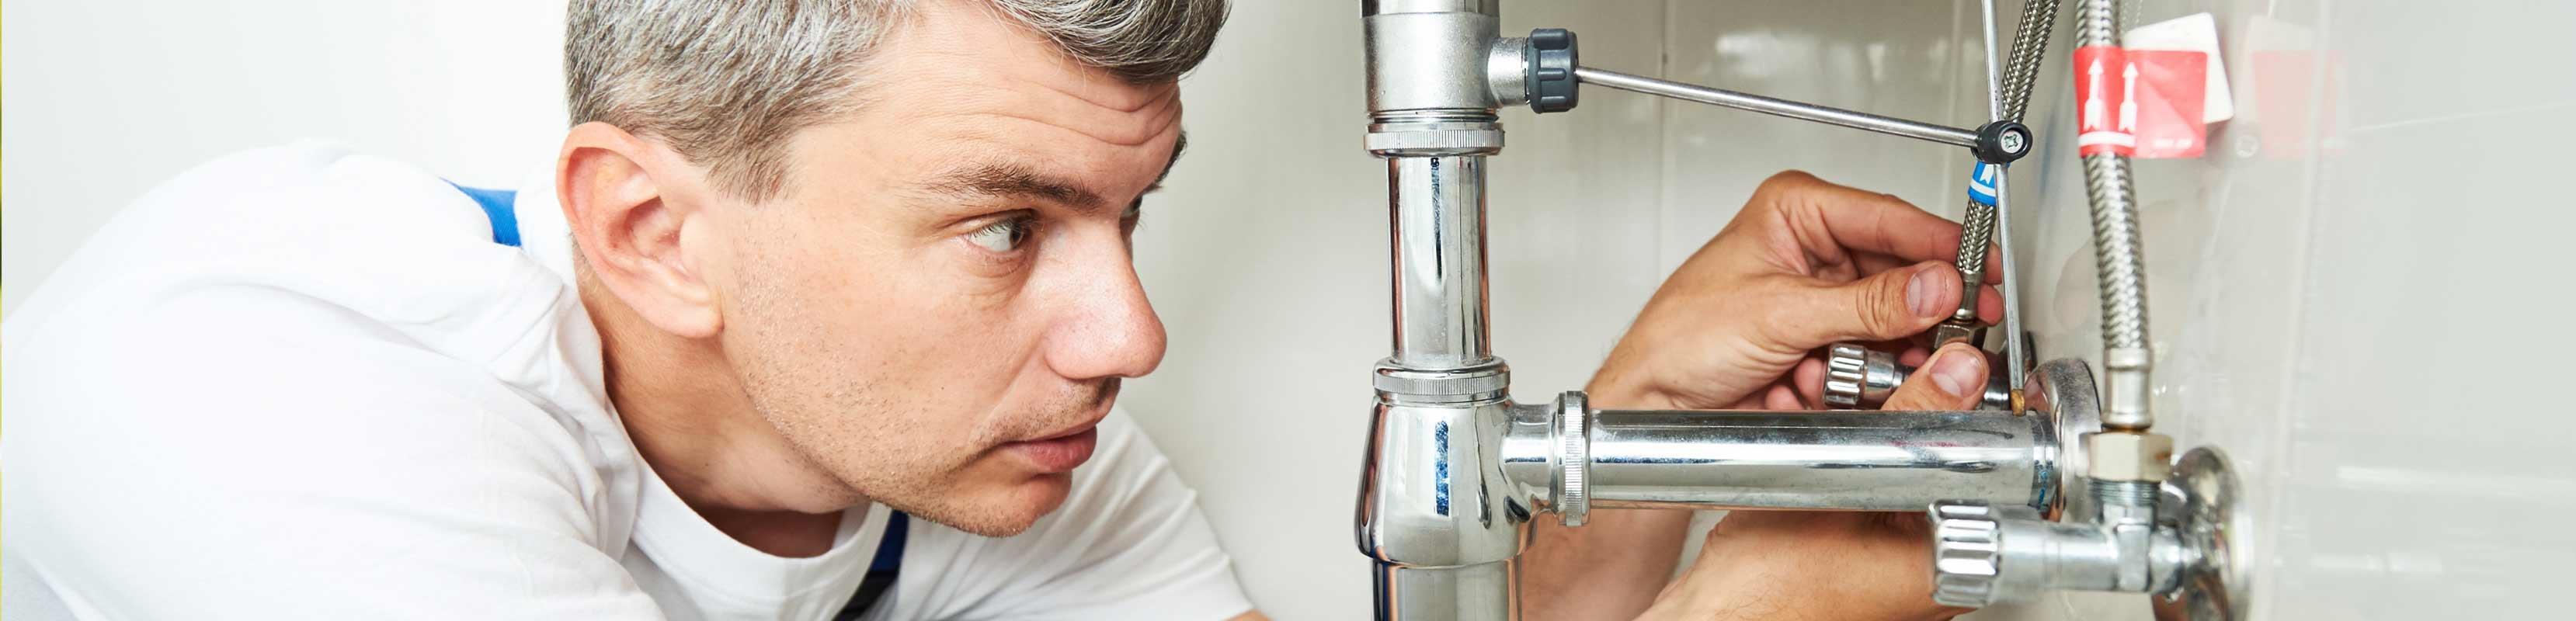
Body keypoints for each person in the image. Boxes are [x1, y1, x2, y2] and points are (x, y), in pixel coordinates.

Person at [0, 1, 2001, 619]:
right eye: (1004, 226)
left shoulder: (991, 466)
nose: (1127, 337)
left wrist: (1647, 419)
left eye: (1128, 218)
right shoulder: (257, 382)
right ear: (653, 229)